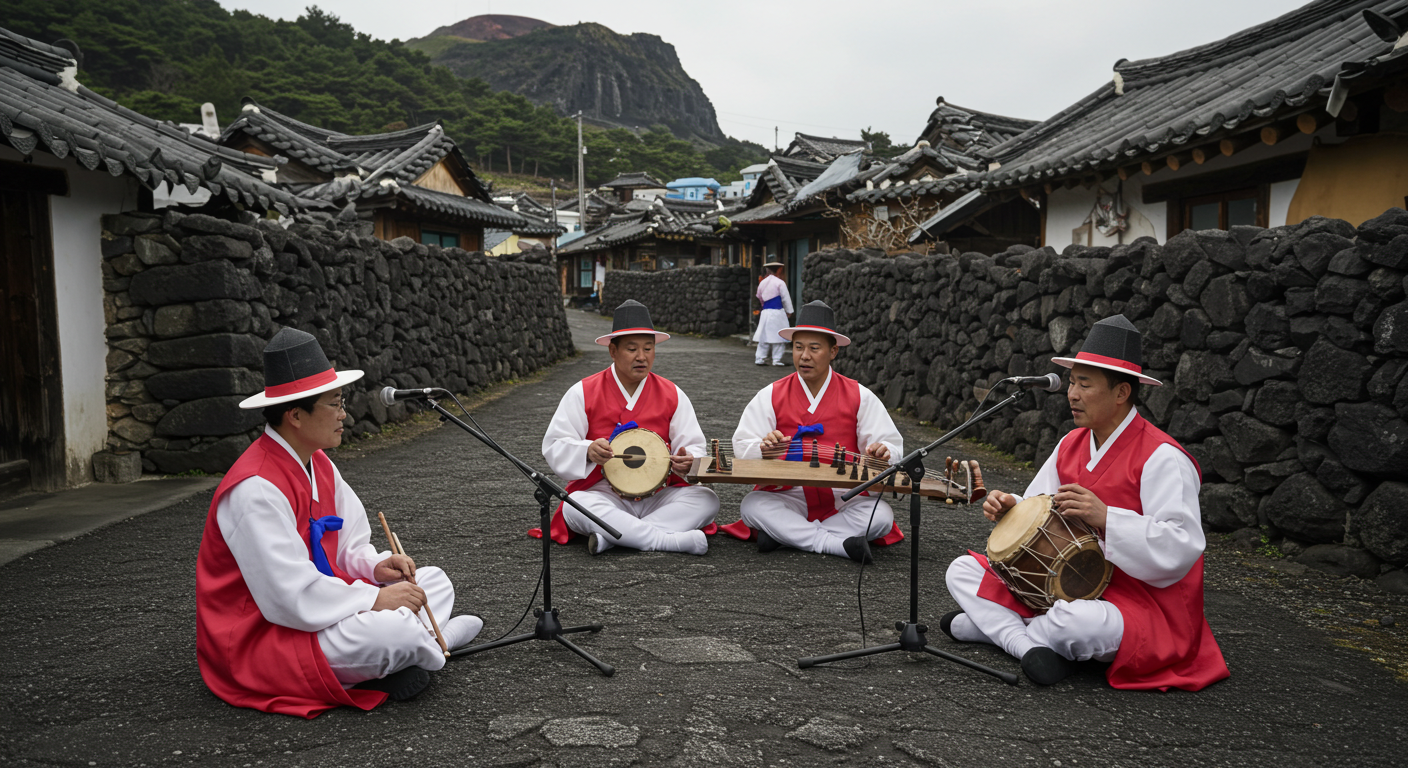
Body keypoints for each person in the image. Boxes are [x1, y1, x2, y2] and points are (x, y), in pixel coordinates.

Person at [195, 328, 483, 717]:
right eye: (335, 404)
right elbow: (289, 598)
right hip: (264, 633)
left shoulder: (319, 464)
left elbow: (349, 546)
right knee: (390, 631)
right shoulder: (254, 489)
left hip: (323, 603)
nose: (344, 414)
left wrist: (376, 567)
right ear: (295, 415)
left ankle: (411, 650)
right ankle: (433, 644)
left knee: (433, 580)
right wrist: (376, 599)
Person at [941, 315, 1229, 690]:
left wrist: (1107, 517)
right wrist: (1011, 505)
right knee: (961, 569)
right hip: (1063, 585)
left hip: (1137, 602)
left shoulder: (1163, 457)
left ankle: (995, 629)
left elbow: (1182, 546)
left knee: (1077, 624)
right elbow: (1037, 506)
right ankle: (1024, 644)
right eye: (1072, 382)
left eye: (1084, 384)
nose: (1071, 393)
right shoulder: (1071, 443)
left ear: (1122, 393)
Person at [725, 300, 905, 562]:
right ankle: (836, 544)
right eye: (798, 347)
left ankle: (786, 536)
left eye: (814, 348)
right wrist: (764, 449)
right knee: (752, 505)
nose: (804, 356)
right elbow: (742, 444)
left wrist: (883, 452)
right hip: (788, 492)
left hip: (845, 495)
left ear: (833, 352)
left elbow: (890, 445)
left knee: (882, 517)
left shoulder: (859, 395)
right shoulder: (772, 394)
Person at [537, 300, 719, 555]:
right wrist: (588, 449)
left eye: (648, 348)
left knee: (707, 499)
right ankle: (667, 540)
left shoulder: (672, 394)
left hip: (660, 494)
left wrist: (688, 461)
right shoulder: (583, 391)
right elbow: (555, 444)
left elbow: (694, 446)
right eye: (632, 349)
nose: (642, 357)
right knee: (574, 504)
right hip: (604, 492)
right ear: (613, 351)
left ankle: (614, 537)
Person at [752, 259, 794, 366]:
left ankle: (760, 358)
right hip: (777, 312)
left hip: (766, 312)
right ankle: (776, 359)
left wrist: (764, 307)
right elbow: (785, 299)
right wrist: (789, 311)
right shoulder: (780, 283)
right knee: (779, 336)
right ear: (779, 270)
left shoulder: (762, 283)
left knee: (763, 336)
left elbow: (759, 297)